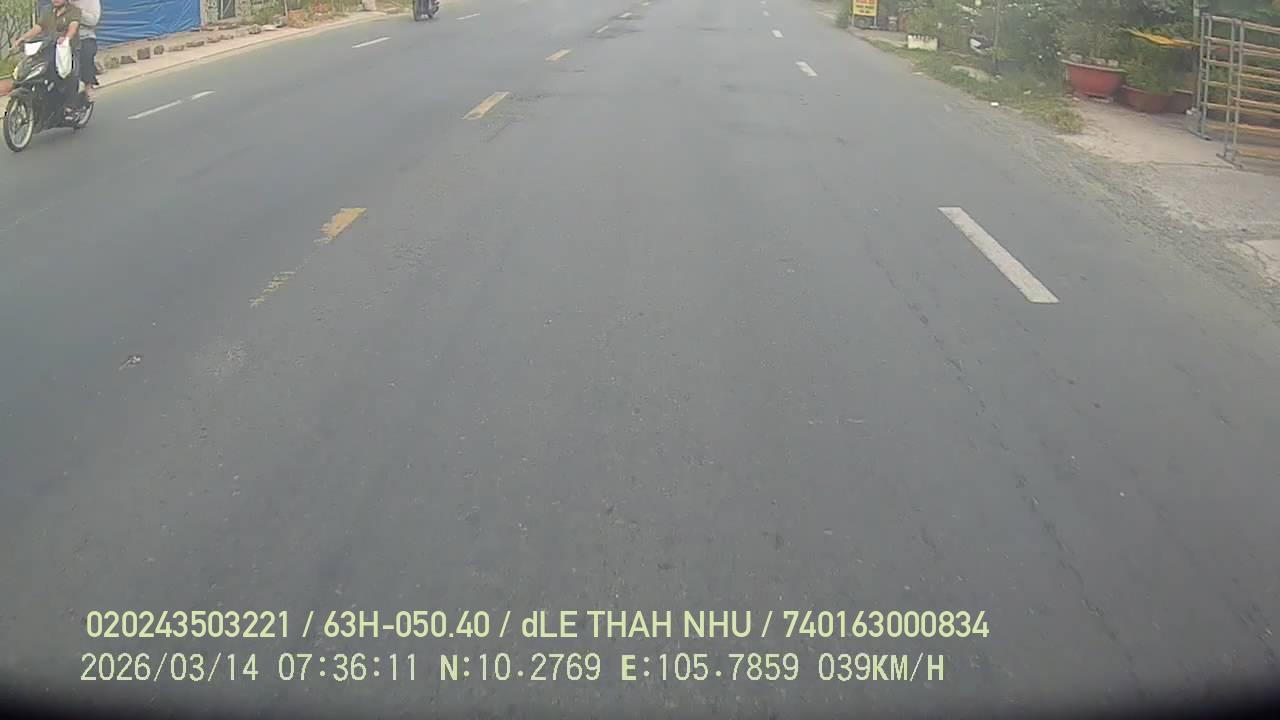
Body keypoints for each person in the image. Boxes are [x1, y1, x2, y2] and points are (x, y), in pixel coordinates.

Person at [10, 0, 83, 117]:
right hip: (48, 48)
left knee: (70, 75)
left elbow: (73, 27)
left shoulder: (74, 11)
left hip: (67, 50)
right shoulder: (47, 10)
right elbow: (38, 28)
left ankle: (70, 106)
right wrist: (21, 39)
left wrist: (66, 38)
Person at [71, 0, 100, 101]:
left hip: (84, 37)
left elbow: (93, 21)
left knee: (86, 53)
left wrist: (77, 11)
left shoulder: (91, 2)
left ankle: (88, 86)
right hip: (64, 38)